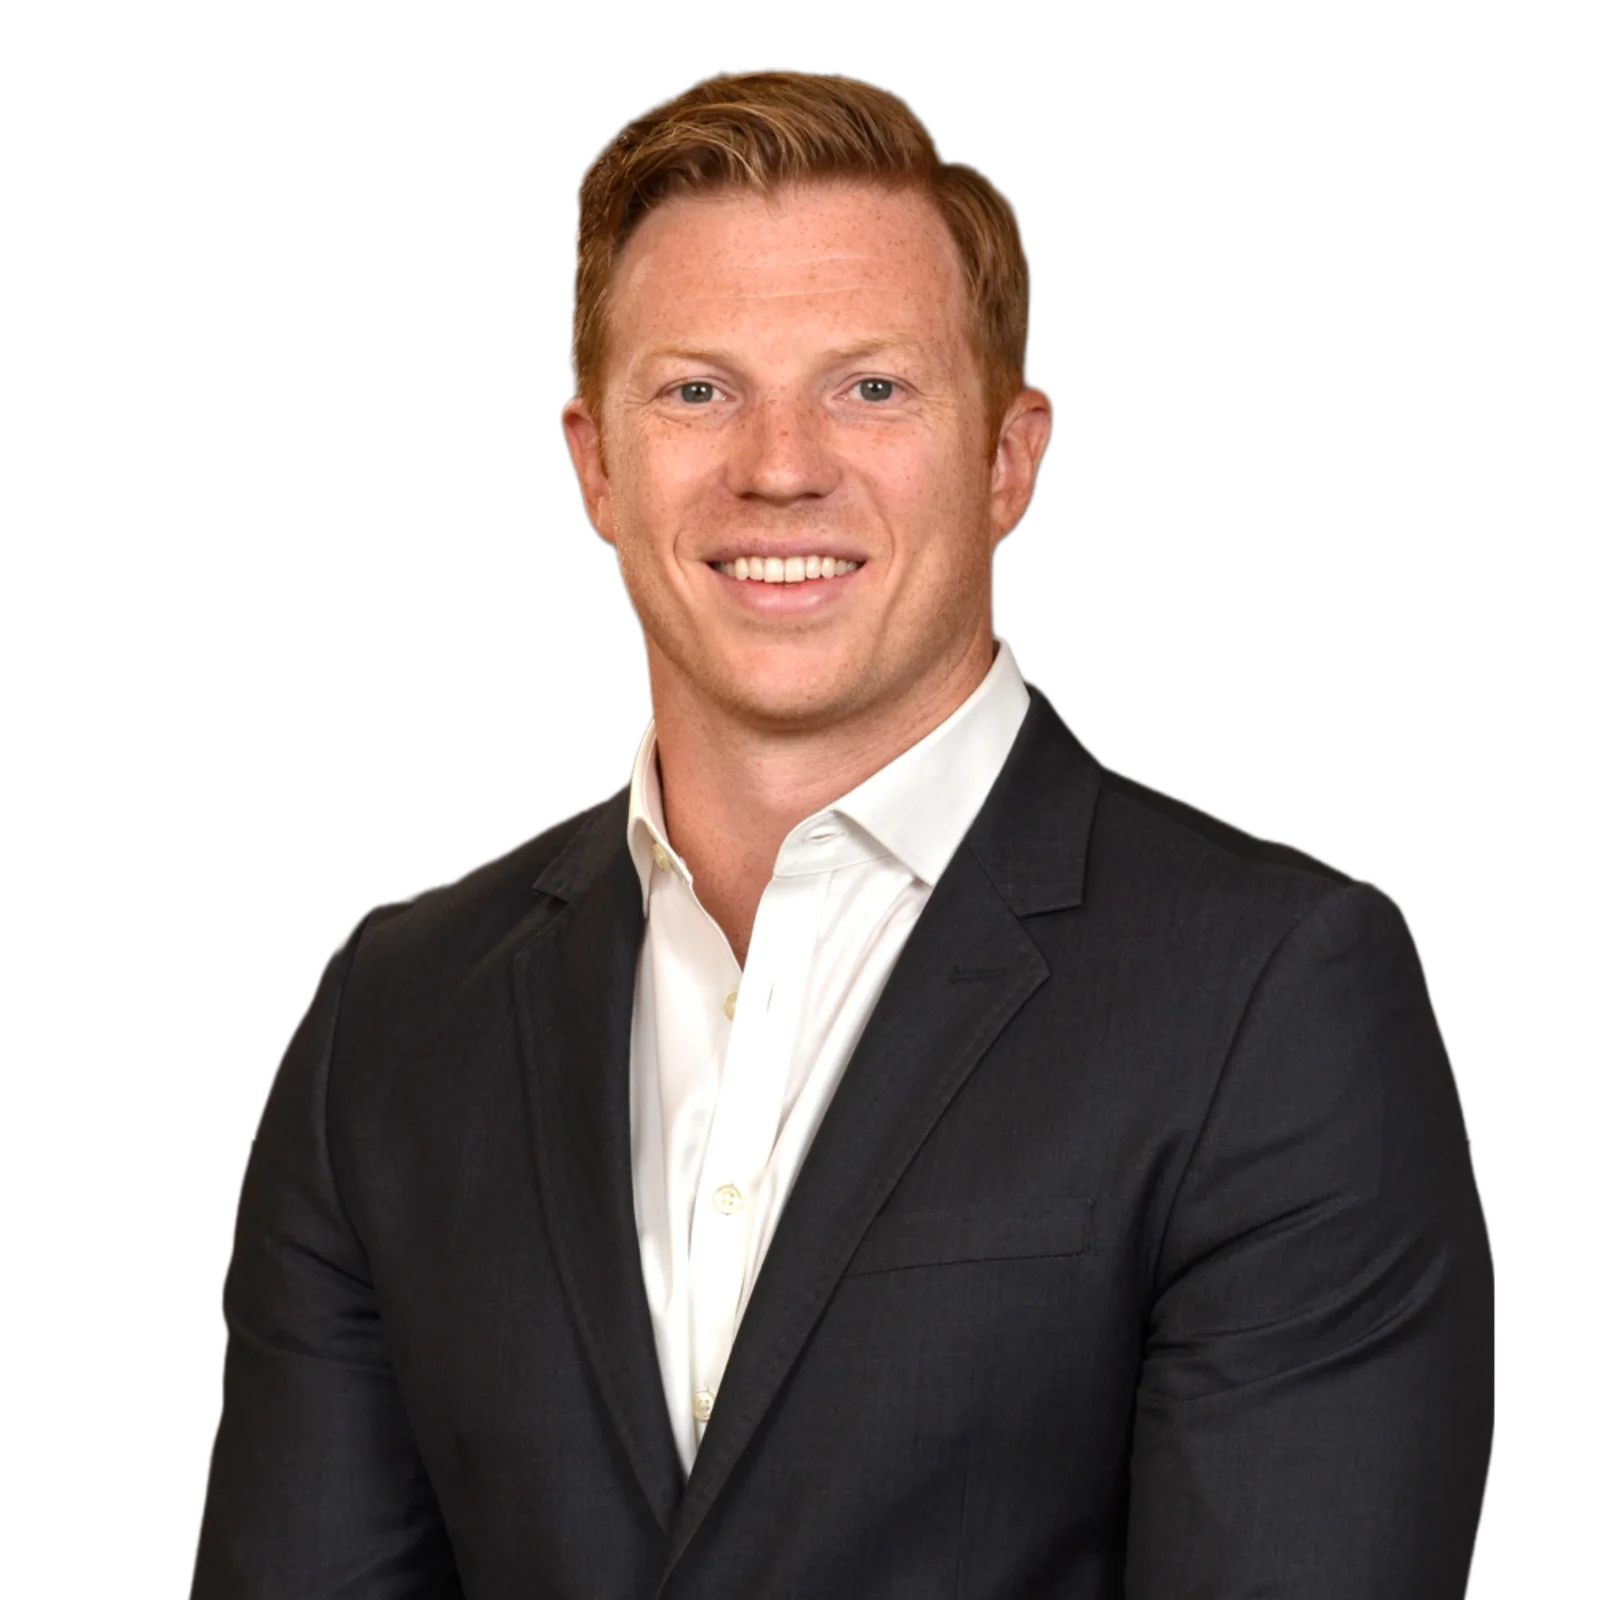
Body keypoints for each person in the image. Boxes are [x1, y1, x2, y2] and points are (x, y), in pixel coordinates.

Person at [191, 68, 1494, 1597]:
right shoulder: (394, 1014)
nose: (779, 464)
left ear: (1009, 457)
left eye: (870, 387)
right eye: (697, 390)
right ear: (593, 463)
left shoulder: (1274, 991)